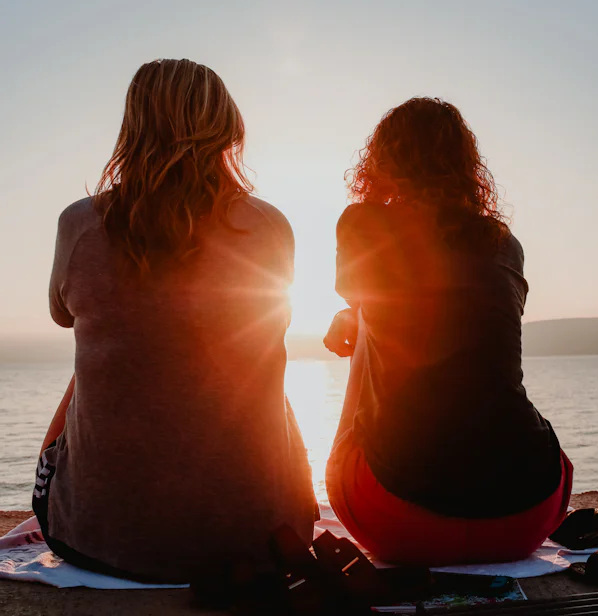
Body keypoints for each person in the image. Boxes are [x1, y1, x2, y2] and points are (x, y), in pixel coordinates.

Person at [33, 59, 315, 583]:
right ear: (229, 126)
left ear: (131, 128)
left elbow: (61, 313)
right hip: (261, 539)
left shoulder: (80, 223)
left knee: (97, 365)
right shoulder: (271, 225)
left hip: (102, 542)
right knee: (253, 363)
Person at [324, 97, 572, 566]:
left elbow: (358, 293)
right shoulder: (504, 243)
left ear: (381, 160)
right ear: (465, 166)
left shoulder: (365, 222)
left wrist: (355, 314)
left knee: (366, 329)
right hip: (528, 514)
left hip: (399, 519)